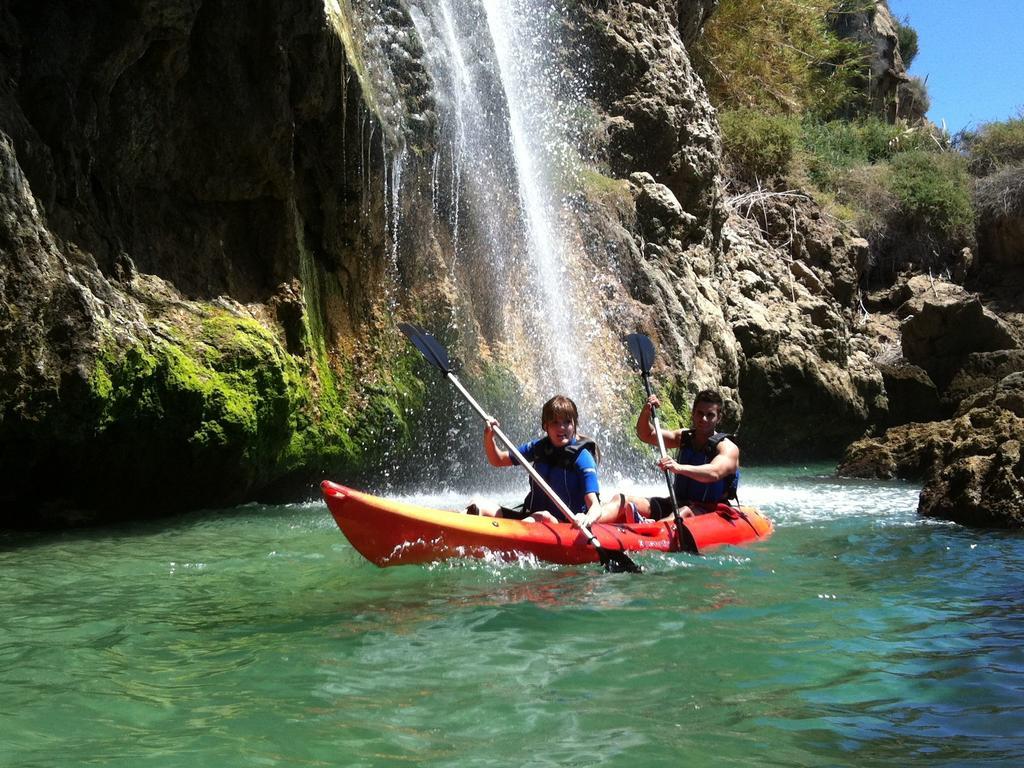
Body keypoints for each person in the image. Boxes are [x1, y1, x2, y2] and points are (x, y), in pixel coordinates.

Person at [585, 389, 739, 525]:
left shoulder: (728, 448)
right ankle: (588, 521)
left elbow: (714, 473)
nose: (704, 419)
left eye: (710, 415)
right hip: (677, 502)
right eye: (700, 413)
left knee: (683, 512)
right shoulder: (684, 437)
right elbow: (646, 434)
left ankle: (649, 528)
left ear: (718, 418)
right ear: (693, 413)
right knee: (621, 500)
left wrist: (678, 468)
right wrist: (647, 411)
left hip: (708, 510)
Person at [466, 395, 601, 524]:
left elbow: (595, 505)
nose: (562, 428)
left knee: (542, 516)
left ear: (574, 424)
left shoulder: (583, 458)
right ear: (545, 426)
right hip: (531, 518)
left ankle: (509, 539)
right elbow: (498, 460)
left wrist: (586, 519)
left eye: (567, 422)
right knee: (478, 505)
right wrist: (489, 436)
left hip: (564, 525)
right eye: (555, 422)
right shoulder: (538, 448)